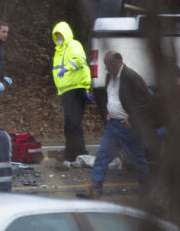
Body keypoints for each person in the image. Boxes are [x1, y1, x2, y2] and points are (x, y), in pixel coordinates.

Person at [87, 51, 152, 199]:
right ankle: (95, 188)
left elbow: (146, 101)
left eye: (108, 65)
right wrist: (108, 112)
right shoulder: (110, 76)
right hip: (113, 124)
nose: (106, 68)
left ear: (118, 63)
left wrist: (132, 119)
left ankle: (147, 192)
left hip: (127, 126)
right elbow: (109, 96)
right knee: (102, 156)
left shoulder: (132, 77)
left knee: (137, 158)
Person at [51, 21, 92, 164]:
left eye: (60, 34)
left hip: (76, 90)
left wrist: (67, 68)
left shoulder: (73, 45)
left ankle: (75, 152)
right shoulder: (59, 51)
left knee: (73, 123)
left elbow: (80, 60)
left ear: (66, 33)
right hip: (67, 91)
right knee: (70, 123)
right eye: (56, 35)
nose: (58, 37)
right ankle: (74, 151)